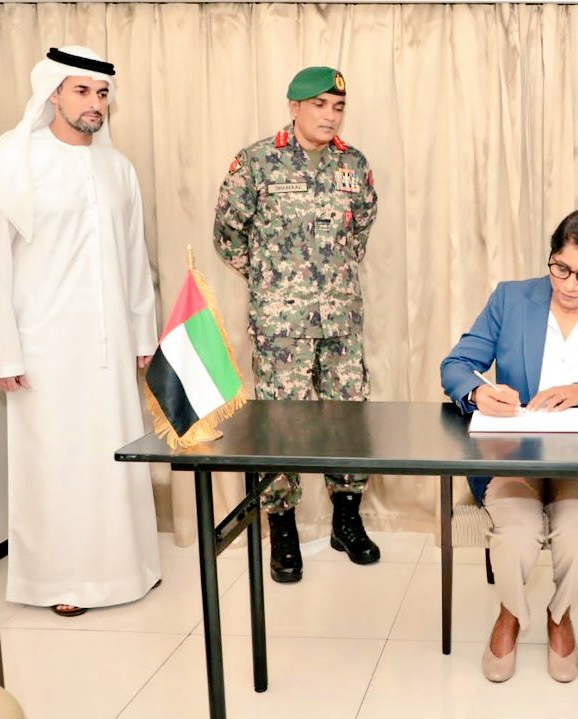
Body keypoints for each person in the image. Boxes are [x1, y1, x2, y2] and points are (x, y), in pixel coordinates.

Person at [440, 208, 578, 683]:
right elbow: (457, 364)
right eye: (560, 268)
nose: (568, 284)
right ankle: (511, 614)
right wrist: (479, 392)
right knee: (517, 535)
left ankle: (559, 615)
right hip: (512, 455)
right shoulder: (512, 298)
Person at [0, 46, 162, 616]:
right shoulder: (13, 159)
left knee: (115, 453)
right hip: (44, 344)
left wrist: (144, 337)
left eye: (103, 92)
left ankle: (128, 570)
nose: (95, 104)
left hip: (112, 342)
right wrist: (3, 351)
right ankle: (60, 582)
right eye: (83, 91)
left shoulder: (119, 168)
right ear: (54, 93)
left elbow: (136, 259)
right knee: (56, 461)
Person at [214, 66, 379, 580]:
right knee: (280, 423)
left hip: (341, 321)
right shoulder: (257, 162)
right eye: (319, 105)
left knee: (348, 417)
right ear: (294, 106)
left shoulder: (354, 164)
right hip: (280, 323)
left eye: (338, 106)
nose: (330, 115)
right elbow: (227, 235)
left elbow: (360, 233)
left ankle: (346, 519)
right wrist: (272, 281)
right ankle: (281, 527)